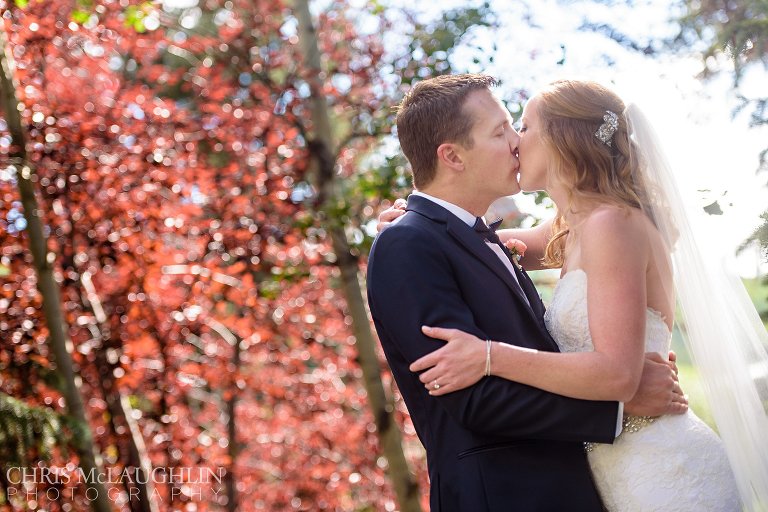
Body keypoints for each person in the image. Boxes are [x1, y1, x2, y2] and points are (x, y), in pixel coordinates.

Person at [386, 79, 767, 510]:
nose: (515, 142)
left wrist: (489, 355)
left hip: (663, 475)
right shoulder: (572, 228)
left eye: (523, 127)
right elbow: (470, 243)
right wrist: (412, 219)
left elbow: (618, 375)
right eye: (506, 130)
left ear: (562, 141)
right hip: (610, 473)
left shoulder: (611, 224)